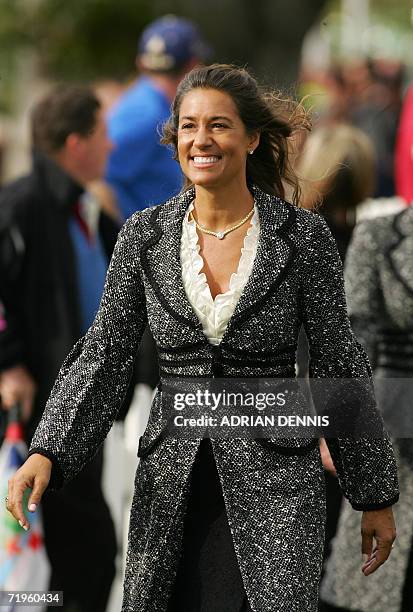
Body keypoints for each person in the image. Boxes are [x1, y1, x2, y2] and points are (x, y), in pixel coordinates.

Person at [6, 64, 398, 612]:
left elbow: (339, 365)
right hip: (172, 484)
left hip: (277, 486)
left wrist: (374, 495)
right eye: (188, 126)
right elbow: (105, 355)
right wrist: (49, 448)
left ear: (253, 138)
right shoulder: (145, 235)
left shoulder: (301, 237)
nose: (201, 140)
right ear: (174, 140)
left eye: (219, 125)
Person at [0, 85, 118, 611]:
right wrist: (9, 363)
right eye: (102, 134)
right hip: (37, 411)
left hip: (77, 408)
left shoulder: (86, 208)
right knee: (80, 549)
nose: (111, 146)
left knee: (82, 551)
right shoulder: (24, 206)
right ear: (76, 143)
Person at [106, 14, 211, 220]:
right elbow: (99, 177)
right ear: (193, 65)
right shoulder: (147, 114)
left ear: (142, 64)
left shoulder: (152, 103)